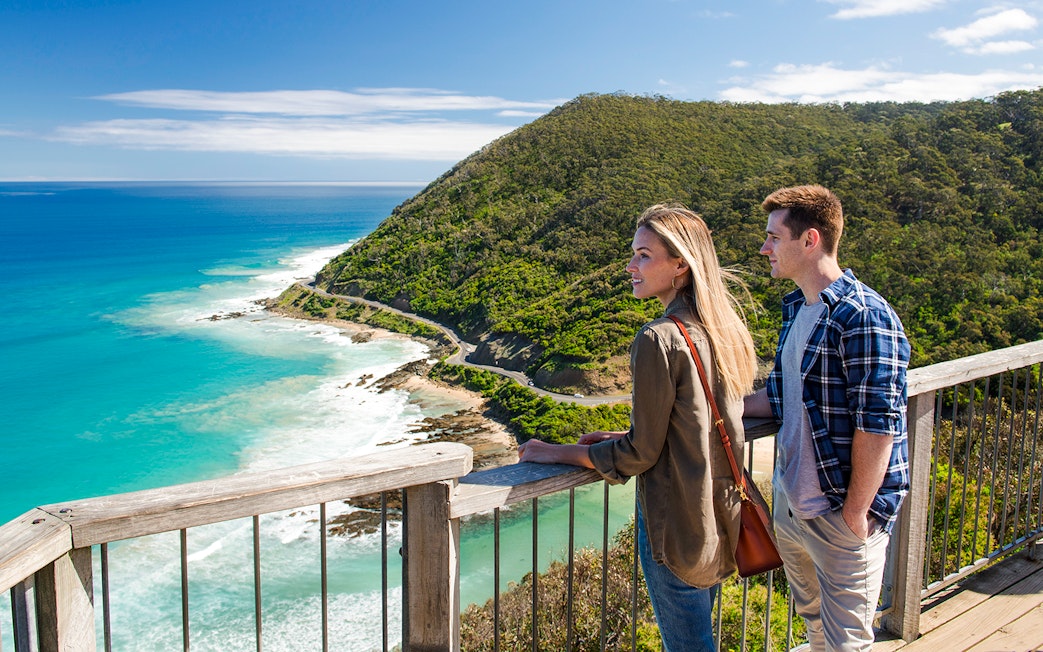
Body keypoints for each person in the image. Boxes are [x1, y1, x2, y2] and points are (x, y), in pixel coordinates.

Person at [519, 203, 758, 651]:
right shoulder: (718, 329)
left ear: (680, 264)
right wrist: (621, 438)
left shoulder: (658, 339)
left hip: (676, 529)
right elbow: (695, 423)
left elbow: (638, 456)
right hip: (717, 517)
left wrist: (557, 452)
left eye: (644, 255)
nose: (630, 266)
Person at [743, 185, 910, 651]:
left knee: (846, 643)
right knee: (813, 623)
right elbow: (780, 397)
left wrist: (856, 513)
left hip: (839, 513)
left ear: (810, 240)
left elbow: (878, 423)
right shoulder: (798, 308)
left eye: (774, 237)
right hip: (793, 507)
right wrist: (710, 406)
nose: (765, 248)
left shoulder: (864, 316)